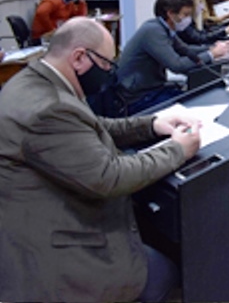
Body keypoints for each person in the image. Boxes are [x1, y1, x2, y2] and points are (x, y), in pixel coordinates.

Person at [0, 17, 201, 302]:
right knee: (167, 271)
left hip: (42, 222)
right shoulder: (48, 109)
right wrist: (178, 149)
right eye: (106, 64)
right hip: (57, 255)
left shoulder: (34, 81)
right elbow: (110, 176)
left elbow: (92, 126)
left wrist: (152, 125)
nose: (109, 72)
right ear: (79, 58)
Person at [116, 0, 229, 115]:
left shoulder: (164, 28)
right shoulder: (153, 31)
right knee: (193, 106)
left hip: (152, 90)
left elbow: (186, 49)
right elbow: (176, 65)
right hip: (138, 99)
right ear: (171, 13)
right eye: (185, 14)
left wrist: (212, 48)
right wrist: (212, 54)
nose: (188, 19)